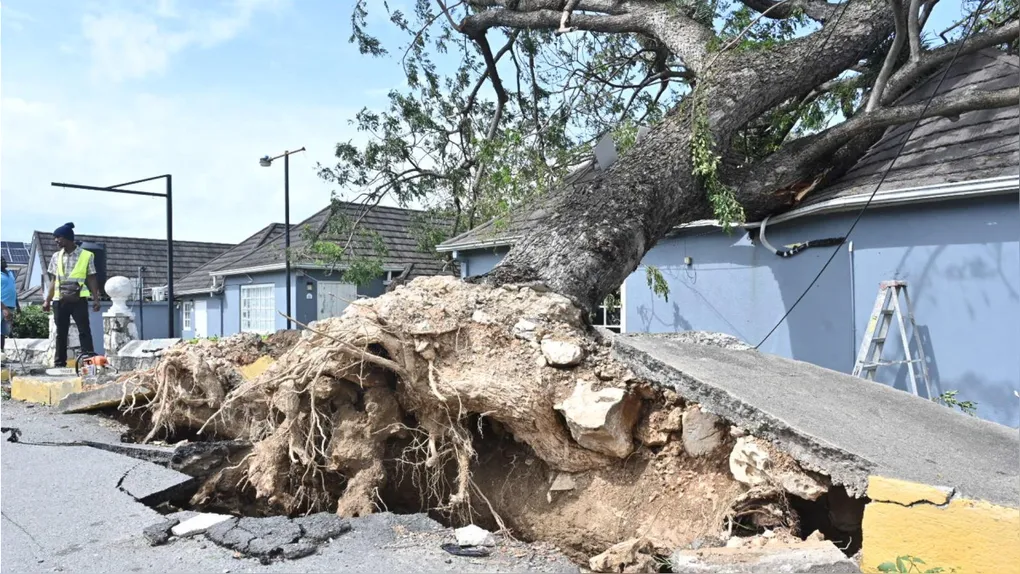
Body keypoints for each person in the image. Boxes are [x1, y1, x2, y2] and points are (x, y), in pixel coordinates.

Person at [43, 222, 100, 367]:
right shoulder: (56, 256)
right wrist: (47, 300)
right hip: (59, 300)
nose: (56, 240)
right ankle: (59, 364)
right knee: (61, 333)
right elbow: (54, 280)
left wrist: (96, 298)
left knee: (84, 331)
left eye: (59, 237)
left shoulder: (86, 255)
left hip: (78, 299)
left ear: (68, 238)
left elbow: (91, 277)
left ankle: (89, 363)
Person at [1, 256, 19, 354]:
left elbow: (14, 290)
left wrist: (18, 305)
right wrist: (3, 308)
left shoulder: (10, 273)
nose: (4, 261)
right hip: (1, 306)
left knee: (4, 332)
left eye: (4, 259)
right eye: (1, 260)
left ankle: (1, 353)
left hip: (10, 306)